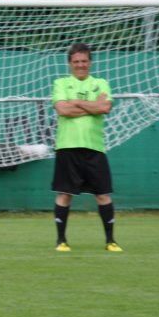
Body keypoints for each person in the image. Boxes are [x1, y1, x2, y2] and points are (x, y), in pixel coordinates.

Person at [51, 42, 122, 253]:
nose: (80, 65)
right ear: (70, 64)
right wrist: (93, 107)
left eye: (84, 61)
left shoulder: (101, 83)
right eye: (76, 62)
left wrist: (76, 102)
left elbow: (105, 107)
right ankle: (61, 241)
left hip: (95, 147)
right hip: (67, 146)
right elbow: (63, 110)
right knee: (65, 194)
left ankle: (110, 241)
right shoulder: (61, 83)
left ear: (90, 63)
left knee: (103, 195)